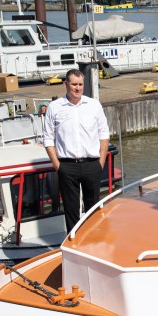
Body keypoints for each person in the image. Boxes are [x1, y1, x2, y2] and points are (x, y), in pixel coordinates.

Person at [42, 68, 110, 232]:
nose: (77, 88)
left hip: (91, 164)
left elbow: (104, 133)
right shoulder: (54, 107)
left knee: (93, 209)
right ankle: (74, 245)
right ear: (66, 84)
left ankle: (94, 241)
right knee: (71, 210)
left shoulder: (94, 105)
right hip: (67, 166)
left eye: (80, 84)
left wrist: (100, 162)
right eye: (74, 84)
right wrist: (58, 165)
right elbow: (48, 138)